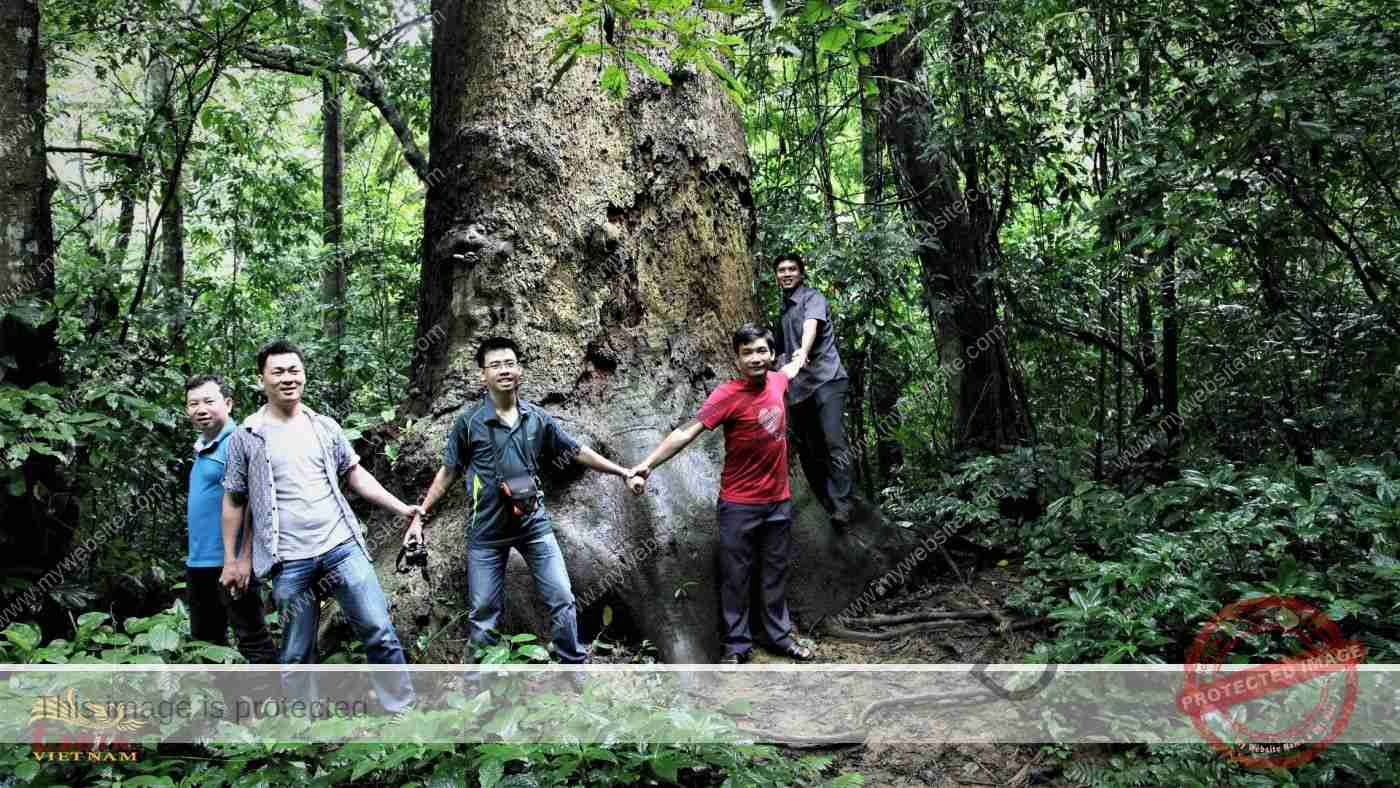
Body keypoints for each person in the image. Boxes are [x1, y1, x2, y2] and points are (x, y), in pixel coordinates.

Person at [405, 336, 644, 665]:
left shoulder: (537, 418)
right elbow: (447, 472)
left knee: (561, 598)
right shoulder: (469, 423)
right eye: (495, 365)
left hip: (534, 526)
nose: (504, 370)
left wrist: (622, 471)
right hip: (486, 534)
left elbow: (576, 451)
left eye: (509, 363)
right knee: (483, 613)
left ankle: (572, 670)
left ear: (519, 369)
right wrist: (419, 517)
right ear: (482, 375)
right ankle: (477, 693)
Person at [220, 339, 419, 713]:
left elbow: (355, 475)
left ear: (304, 375)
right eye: (277, 372)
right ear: (261, 379)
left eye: (294, 370)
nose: (287, 378)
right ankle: (303, 733)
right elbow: (234, 502)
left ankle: (403, 714)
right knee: (296, 652)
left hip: (340, 546)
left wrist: (400, 508)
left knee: (378, 629)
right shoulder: (246, 437)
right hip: (288, 560)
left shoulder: (325, 427)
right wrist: (234, 559)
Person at [630, 325, 814, 664]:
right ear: (737, 358)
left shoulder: (777, 380)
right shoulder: (727, 395)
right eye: (747, 353)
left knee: (774, 572)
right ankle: (736, 646)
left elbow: (792, 367)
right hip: (739, 505)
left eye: (761, 351)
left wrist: (802, 352)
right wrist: (647, 464)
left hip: (778, 502)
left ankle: (778, 636)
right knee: (735, 577)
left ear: (771, 354)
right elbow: (686, 432)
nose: (756, 358)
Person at [182, 375, 276, 664]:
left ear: (228, 403)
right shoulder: (203, 448)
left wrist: (240, 559)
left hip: (230, 563)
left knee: (252, 638)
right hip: (199, 563)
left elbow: (251, 504)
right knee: (206, 642)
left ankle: (274, 705)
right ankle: (226, 706)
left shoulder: (239, 441)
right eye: (193, 403)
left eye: (209, 401)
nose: (201, 409)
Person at [774, 253, 855, 527]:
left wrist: (802, 353)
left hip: (827, 380)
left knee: (834, 441)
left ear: (801, 273)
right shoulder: (783, 312)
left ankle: (844, 505)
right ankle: (827, 501)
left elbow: (811, 326)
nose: (786, 274)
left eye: (792, 269)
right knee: (811, 449)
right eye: (782, 270)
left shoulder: (813, 297)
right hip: (801, 390)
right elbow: (780, 354)